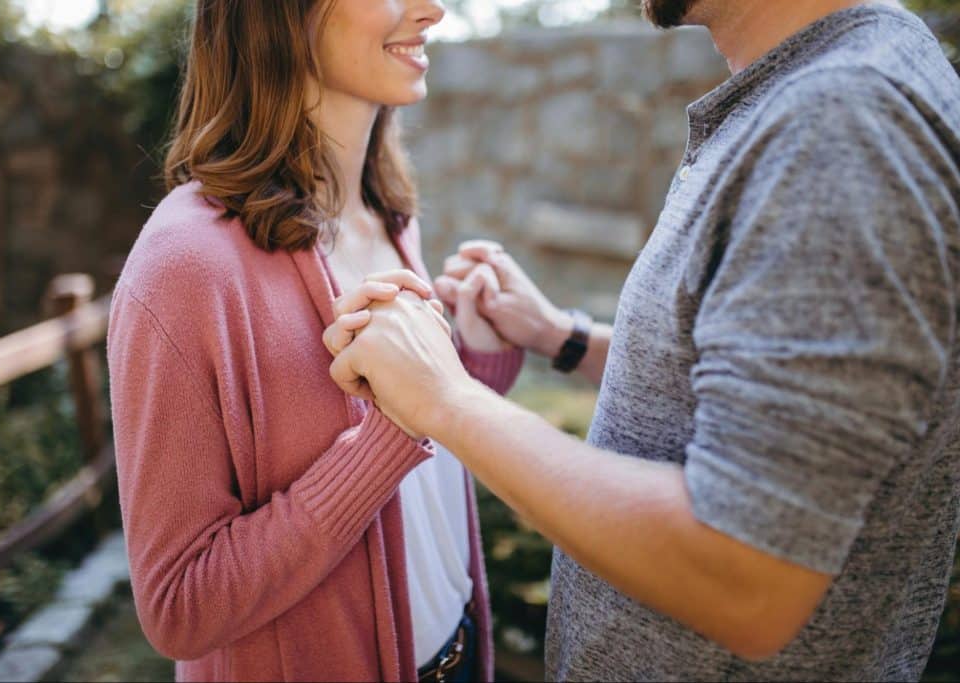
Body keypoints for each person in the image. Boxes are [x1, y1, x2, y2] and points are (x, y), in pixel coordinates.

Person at [326, 0, 960, 680]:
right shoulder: (831, 84)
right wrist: (562, 337)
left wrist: (447, 399)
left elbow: (745, 577)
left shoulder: (840, 122)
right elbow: (765, 396)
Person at [106, 1, 524, 681]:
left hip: (462, 654)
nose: (433, 9)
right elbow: (178, 607)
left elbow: (425, 465)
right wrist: (390, 435)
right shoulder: (184, 266)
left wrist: (477, 354)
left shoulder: (388, 212)